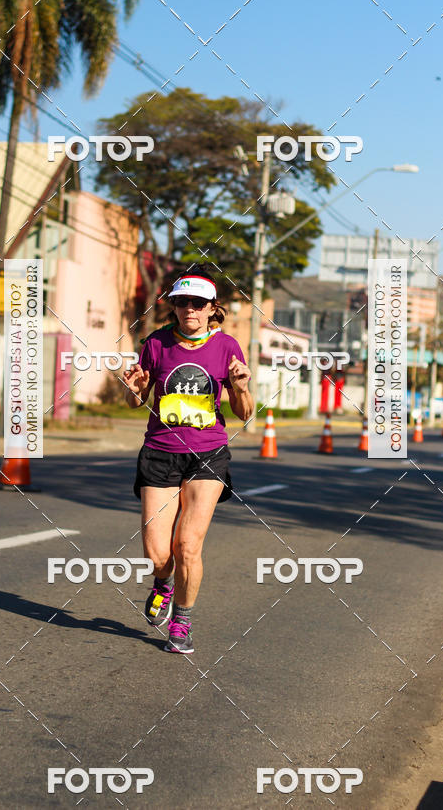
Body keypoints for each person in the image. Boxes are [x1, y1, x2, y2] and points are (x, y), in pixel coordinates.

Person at [122, 265, 253, 653]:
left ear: (214, 308)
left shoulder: (227, 347)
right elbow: (136, 400)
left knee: (188, 546)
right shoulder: (156, 344)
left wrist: (241, 387)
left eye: (198, 303)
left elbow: (244, 413)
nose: (190, 310)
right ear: (173, 306)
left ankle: (181, 622)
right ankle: (162, 583)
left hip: (208, 454)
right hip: (160, 453)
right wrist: (134, 391)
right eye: (182, 302)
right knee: (158, 552)